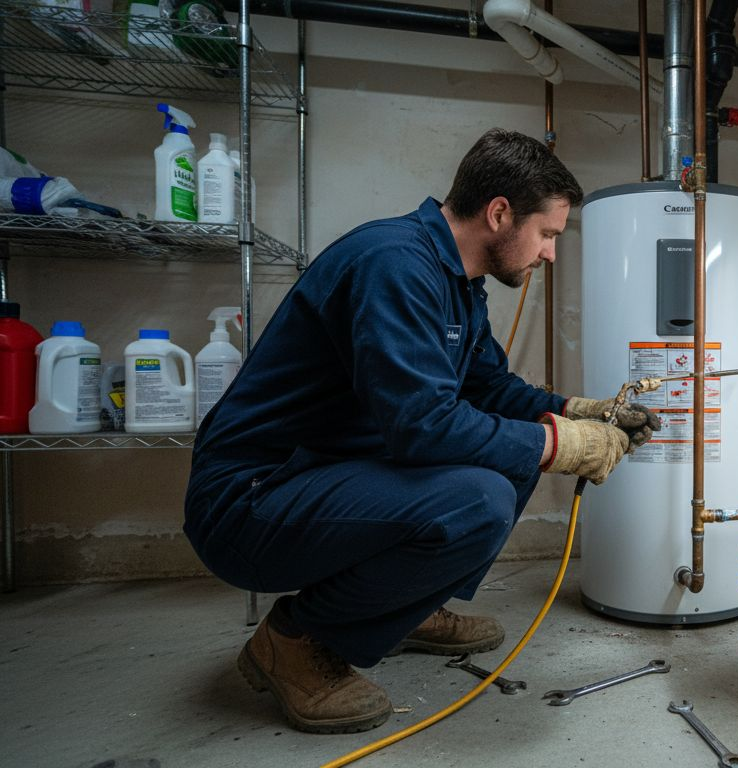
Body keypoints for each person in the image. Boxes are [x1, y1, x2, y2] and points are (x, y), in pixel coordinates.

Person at [183, 128, 660, 734]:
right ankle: (295, 641)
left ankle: (400, 609)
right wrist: (563, 445)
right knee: (479, 498)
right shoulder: (394, 265)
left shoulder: (458, 284)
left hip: (316, 478)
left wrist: (578, 410)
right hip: (250, 501)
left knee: (511, 452)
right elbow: (423, 427)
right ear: (499, 214)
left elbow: (488, 390)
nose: (550, 254)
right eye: (547, 234)